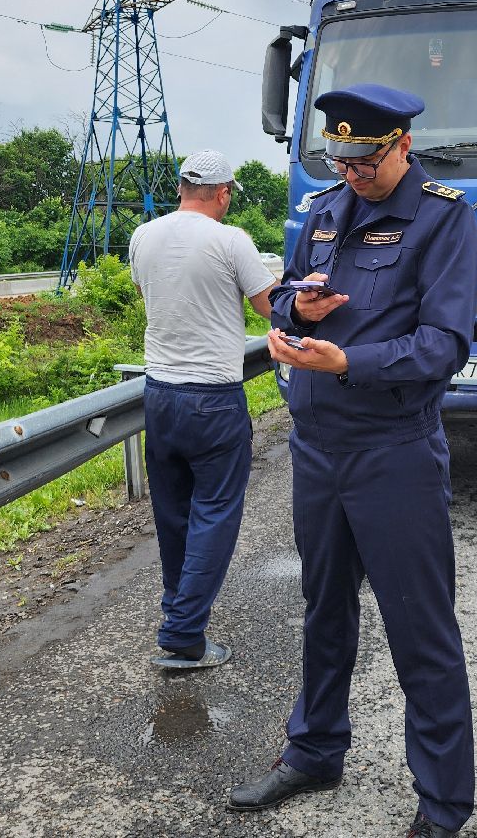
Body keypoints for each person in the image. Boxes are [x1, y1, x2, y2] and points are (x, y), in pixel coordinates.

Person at [228, 85, 477, 838]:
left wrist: (348, 362)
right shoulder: (325, 208)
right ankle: (314, 751)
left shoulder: (443, 218)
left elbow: (445, 344)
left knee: (418, 626)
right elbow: (286, 296)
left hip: (392, 449)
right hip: (316, 448)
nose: (352, 174)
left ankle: (443, 805)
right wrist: (294, 312)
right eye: (340, 160)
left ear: (402, 144)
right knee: (324, 609)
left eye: (364, 161)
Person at [128, 149, 275, 671]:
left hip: (159, 395)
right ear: (223, 192)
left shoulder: (143, 236)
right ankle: (184, 633)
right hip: (213, 398)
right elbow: (270, 307)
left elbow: (147, 292)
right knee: (215, 513)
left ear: (182, 188)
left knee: (173, 515)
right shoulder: (231, 240)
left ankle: (179, 613)